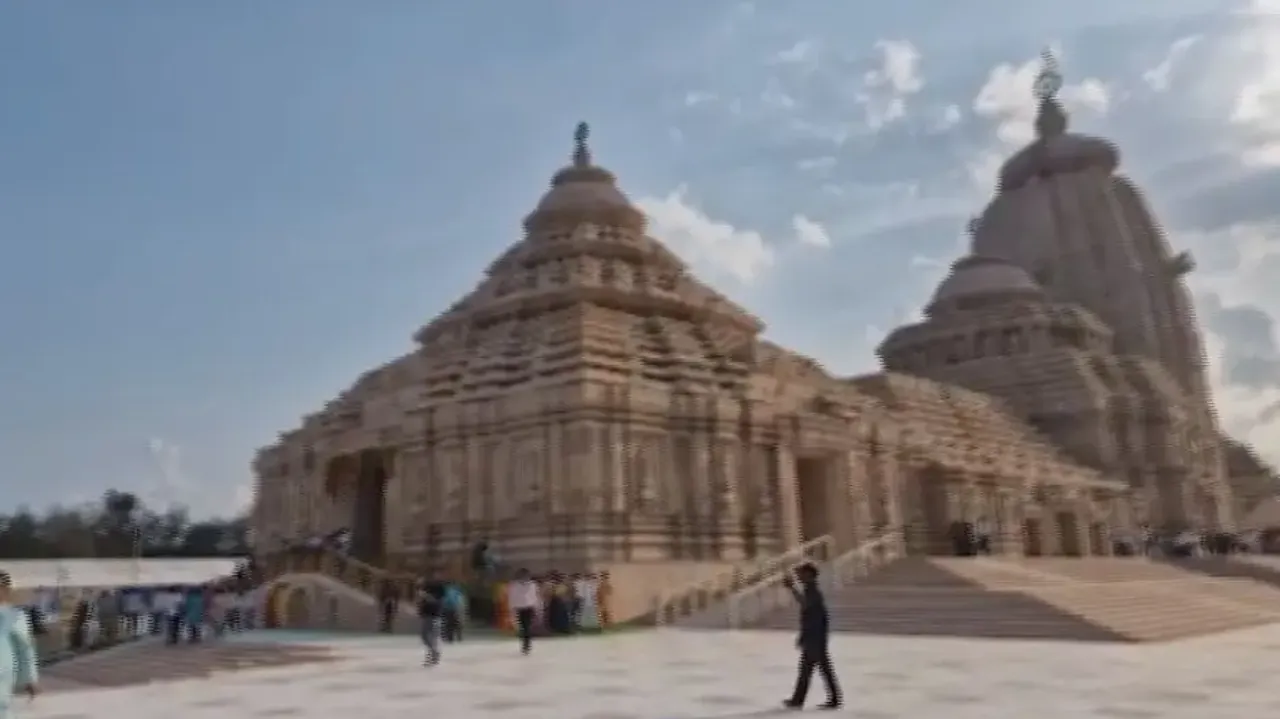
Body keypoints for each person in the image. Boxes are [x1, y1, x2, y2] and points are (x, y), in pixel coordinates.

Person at [782, 563, 841, 711]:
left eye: (801, 573)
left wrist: (791, 588)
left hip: (815, 637)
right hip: (815, 636)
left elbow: (805, 605)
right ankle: (831, 699)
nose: (798, 576)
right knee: (815, 669)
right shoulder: (811, 590)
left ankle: (800, 700)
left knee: (811, 670)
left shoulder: (813, 591)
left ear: (809, 575)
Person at [0, 571, 39, 719]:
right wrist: (29, 679)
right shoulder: (14, 615)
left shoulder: (14, 615)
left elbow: (25, 648)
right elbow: (25, 648)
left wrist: (29, 678)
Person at [507, 569, 540, 655]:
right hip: (520, 608)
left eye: (526, 575)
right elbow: (512, 597)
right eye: (523, 575)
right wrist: (511, 608)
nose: (524, 577)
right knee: (523, 626)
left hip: (529, 607)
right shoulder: (514, 585)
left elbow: (534, 596)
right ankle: (526, 643)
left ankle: (526, 644)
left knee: (527, 626)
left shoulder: (533, 584)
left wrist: (536, 607)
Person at [416, 580, 444, 666]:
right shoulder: (425, 593)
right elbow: (423, 604)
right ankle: (433, 655)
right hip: (427, 616)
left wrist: (425, 596)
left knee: (431, 637)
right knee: (426, 637)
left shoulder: (438, 593)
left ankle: (433, 656)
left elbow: (435, 602)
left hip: (434, 617)